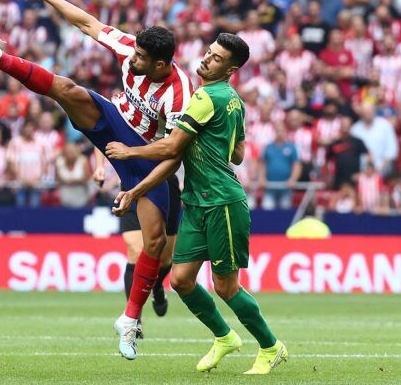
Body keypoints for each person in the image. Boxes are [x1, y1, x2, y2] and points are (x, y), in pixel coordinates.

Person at [0, 0, 191, 358]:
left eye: (139, 57)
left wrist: (132, 179)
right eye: (133, 52)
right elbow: (87, 23)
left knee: (157, 248)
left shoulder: (180, 93)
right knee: (68, 90)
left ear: (160, 64)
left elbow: (173, 153)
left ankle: (130, 316)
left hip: (151, 157)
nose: (130, 59)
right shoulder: (130, 50)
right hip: (116, 124)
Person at [105, 33, 287, 374]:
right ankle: (224, 337)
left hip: (222, 202)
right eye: (208, 52)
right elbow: (238, 152)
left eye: (216, 58)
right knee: (181, 279)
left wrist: (130, 152)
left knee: (225, 287)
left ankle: (270, 346)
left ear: (231, 69)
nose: (206, 59)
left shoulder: (203, 97)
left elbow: (172, 148)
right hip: (198, 201)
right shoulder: (234, 100)